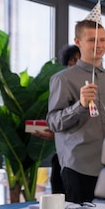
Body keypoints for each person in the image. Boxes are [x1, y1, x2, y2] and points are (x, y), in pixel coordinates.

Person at [47, 19, 105, 204]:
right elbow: (53, 121)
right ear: (78, 42)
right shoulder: (63, 79)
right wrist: (80, 105)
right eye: (92, 40)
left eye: (103, 40)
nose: (99, 45)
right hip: (78, 166)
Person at [34, 44, 82, 194]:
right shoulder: (60, 83)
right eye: (73, 59)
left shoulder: (95, 87)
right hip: (62, 156)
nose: (77, 63)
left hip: (84, 158)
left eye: (80, 59)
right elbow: (56, 119)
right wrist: (55, 133)